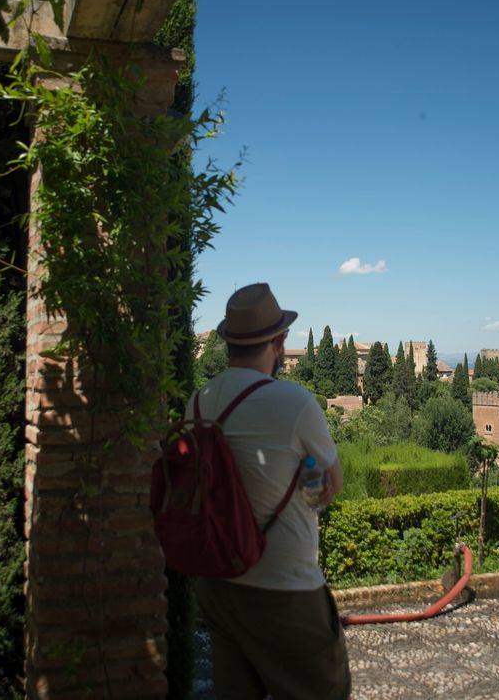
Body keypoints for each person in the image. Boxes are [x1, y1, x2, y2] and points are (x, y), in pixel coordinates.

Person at [191, 282, 350, 700]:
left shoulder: (199, 401)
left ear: (228, 343)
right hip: (284, 587)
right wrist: (308, 484)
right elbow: (332, 486)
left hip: (217, 583)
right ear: (279, 343)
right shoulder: (294, 402)